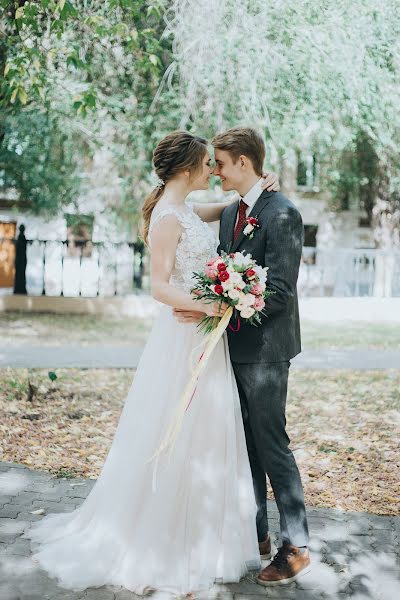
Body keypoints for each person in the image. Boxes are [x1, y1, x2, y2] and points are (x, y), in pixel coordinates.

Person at [22, 130, 279, 597]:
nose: (212, 170)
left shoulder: (182, 209)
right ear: (186, 168)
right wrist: (211, 307)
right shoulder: (166, 218)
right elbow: (159, 288)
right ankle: (164, 544)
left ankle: (204, 537)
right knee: (176, 431)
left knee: (208, 435)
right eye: (207, 164)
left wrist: (259, 187)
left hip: (205, 337)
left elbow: (225, 212)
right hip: (183, 337)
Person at [175, 127, 311, 586]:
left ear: (245, 164)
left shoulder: (284, 213)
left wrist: (226, 303)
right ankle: (257, 537)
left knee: (272, 444)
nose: (214, 169)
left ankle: (296, 547)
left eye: (220, 162)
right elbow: (180, 213)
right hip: (231, 346)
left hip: (269, 352)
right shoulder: (235, 210)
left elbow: (279, 292)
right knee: (246, 445)